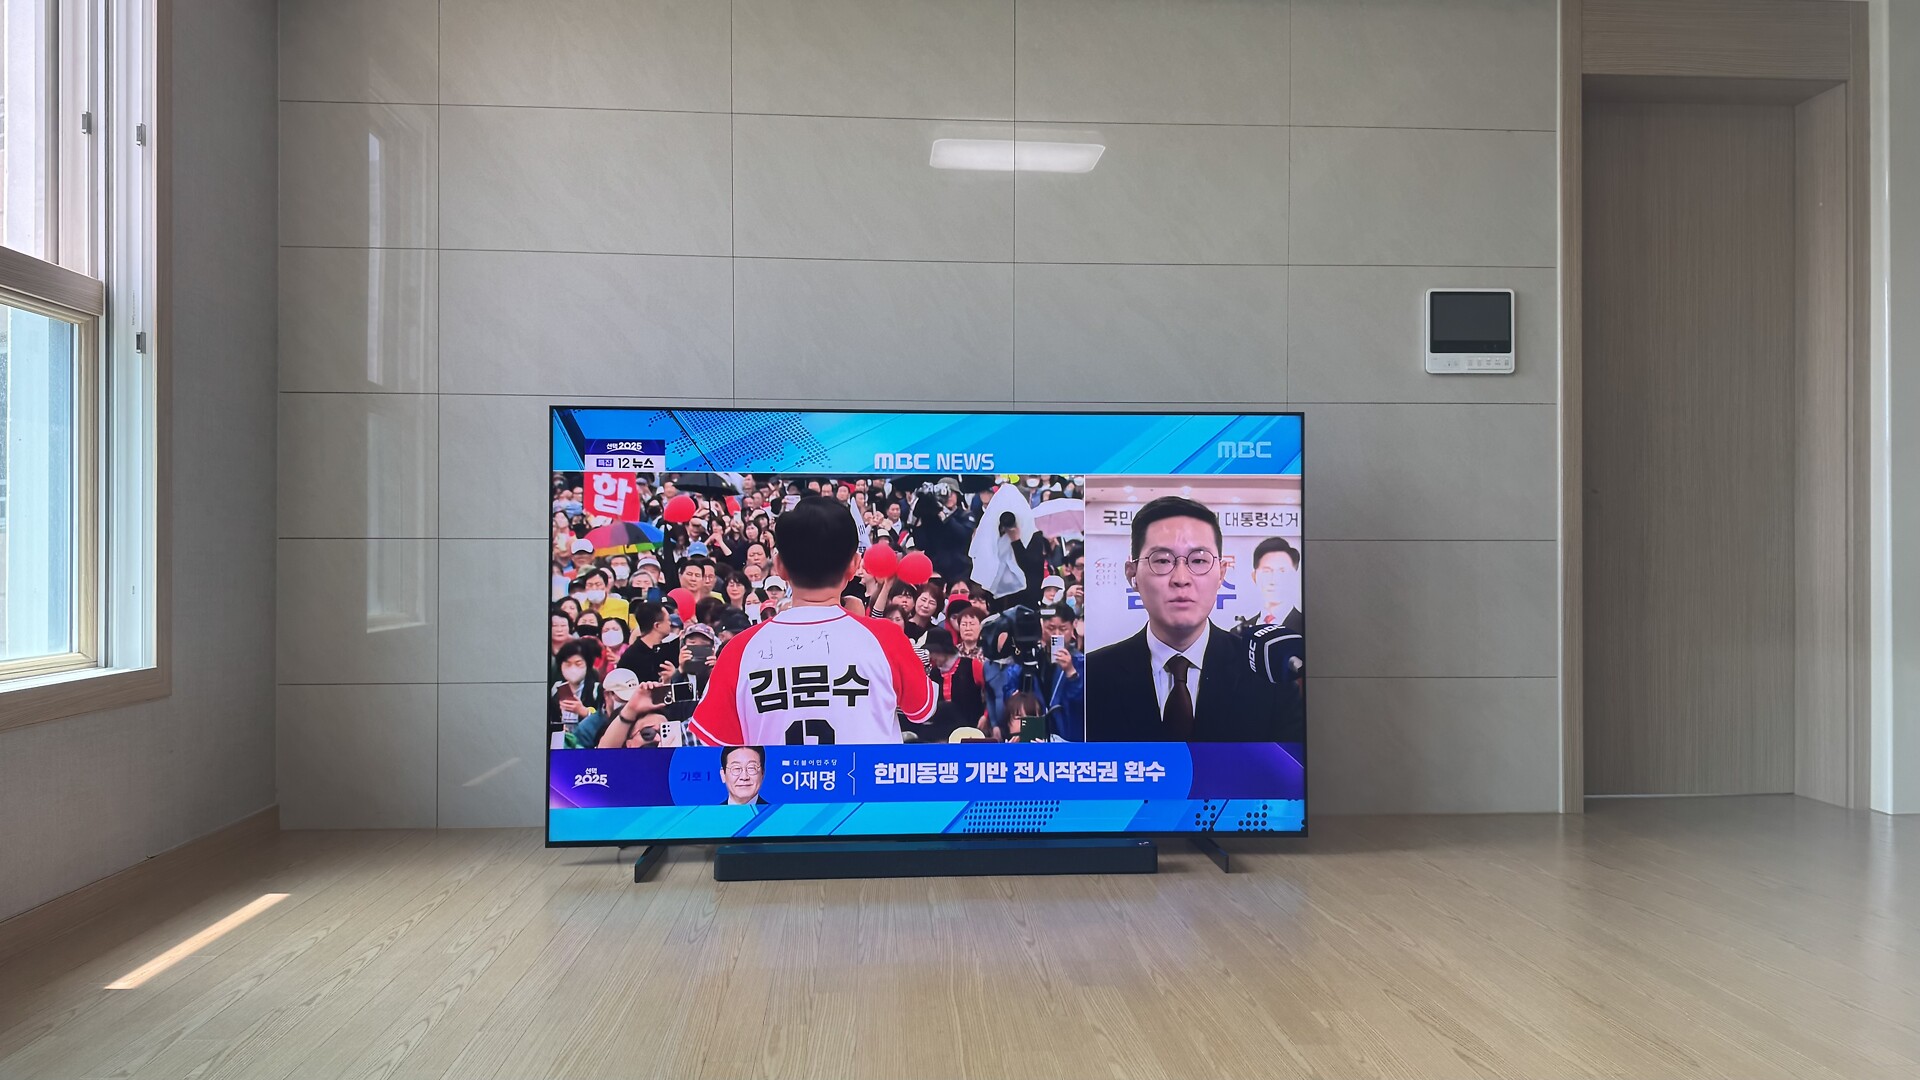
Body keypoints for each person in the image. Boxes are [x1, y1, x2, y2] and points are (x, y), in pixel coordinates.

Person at [689, 495, 935, 746]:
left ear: (779, 566)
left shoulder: (739, 651)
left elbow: (715, 744)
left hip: (771, 773)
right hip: (864, 773)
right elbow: (921, 710)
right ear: (854, 565)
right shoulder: (886, 639)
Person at [1084, 496, 1301, 743]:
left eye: (1198, 561)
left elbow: (1290, 765)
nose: (1181, 579)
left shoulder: (1267, 674)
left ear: (1221, 574)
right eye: (1162, 561)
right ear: (1132, 574)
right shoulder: (1093, 676)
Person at [616, 600, 678, 683]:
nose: (670, 623)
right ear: (657, 625)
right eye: (668, 620)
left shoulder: (668, 650)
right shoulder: (630, 658)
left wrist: (675, 675)